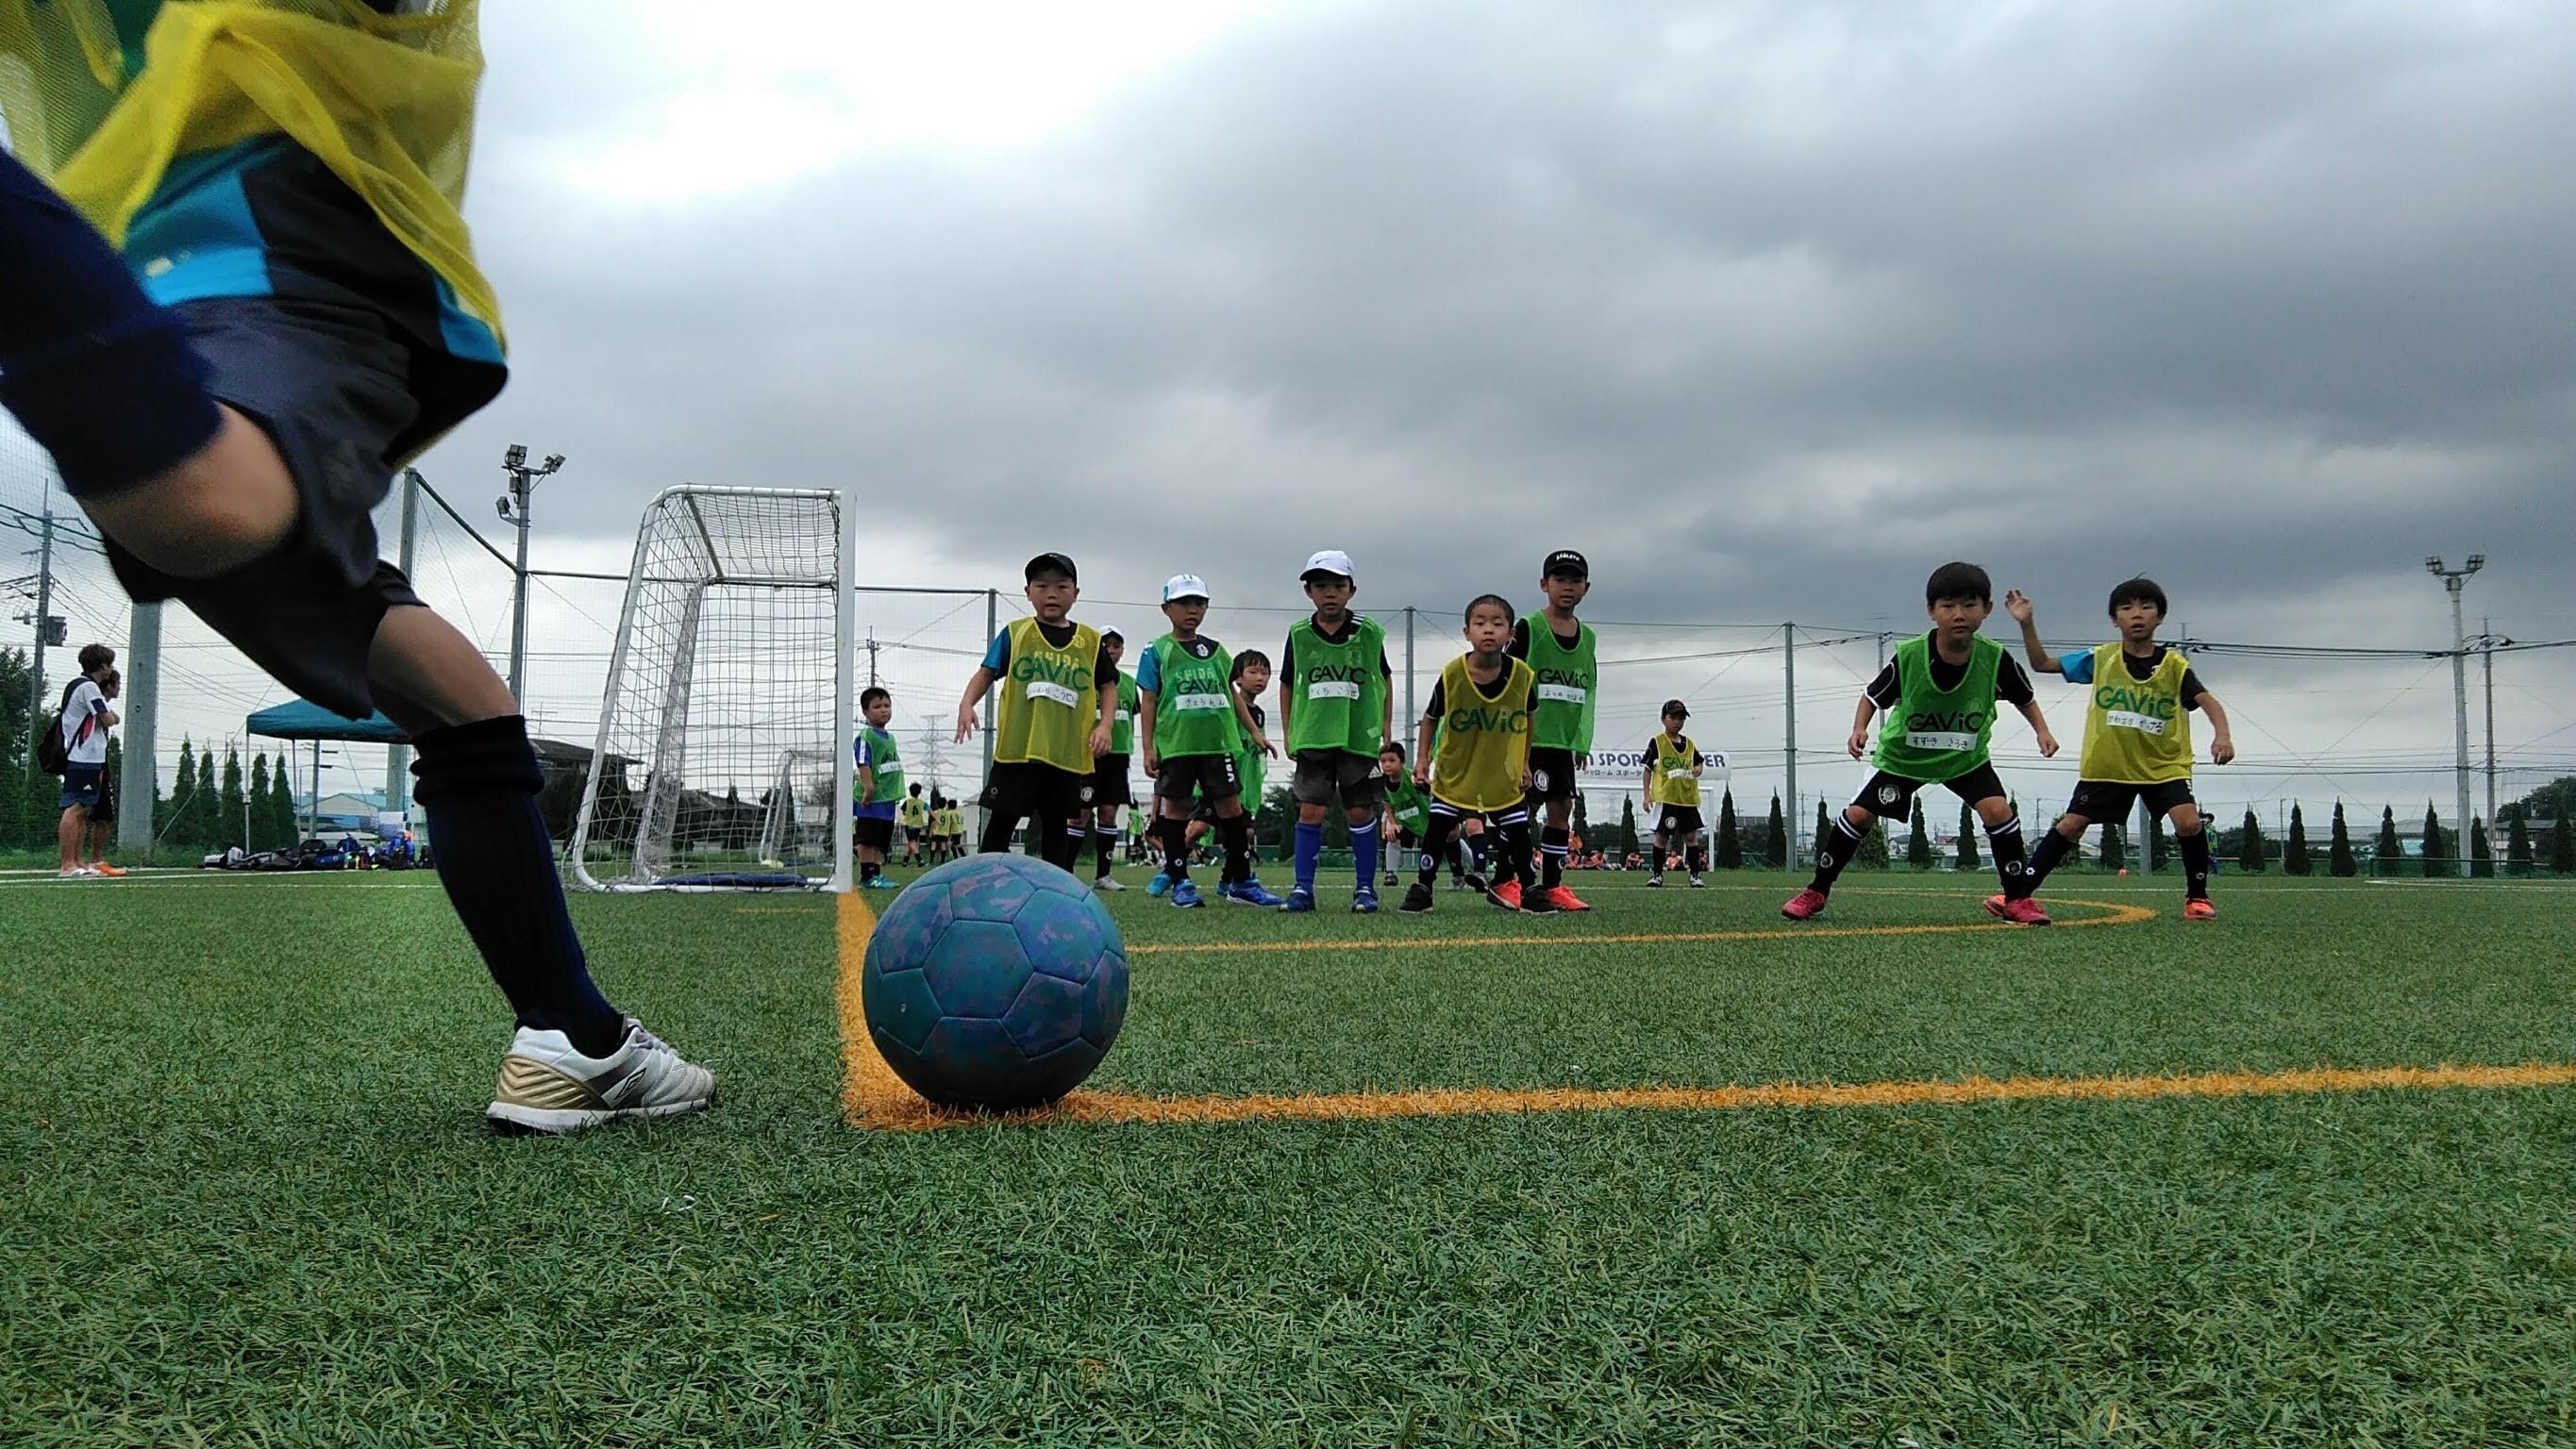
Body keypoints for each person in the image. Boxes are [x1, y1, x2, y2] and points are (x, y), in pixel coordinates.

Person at [0, 3, 713, 1130]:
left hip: (133, 286)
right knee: (212, 498)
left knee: (466, 703)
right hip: (270, 242)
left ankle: (573, 1038)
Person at [1782, 562, 2059, 923]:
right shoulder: (1911, 656)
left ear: (1987, 610)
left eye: (1969, 605)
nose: (1959, 614)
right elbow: (1871, 696)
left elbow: (2024, 697)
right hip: (1905, 758)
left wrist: (2042, 730)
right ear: (1931, 611)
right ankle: (1816, 891)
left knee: (1997, 810)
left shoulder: (1995, 658)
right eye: (1948, 606)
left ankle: (2017, 899)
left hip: (1964, 758)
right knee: (1859, 814)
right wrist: (1858, 729)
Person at [2005, 580, 2237, 921]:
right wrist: (2026, 623)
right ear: (2115, 620)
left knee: (2187, 822)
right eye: (2127, 608)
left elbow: (2208, 702)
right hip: (2109, 765)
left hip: (2163, 765)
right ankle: (2017, 894)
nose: (2137, 614)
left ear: (2160, 617)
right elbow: (2042, 664)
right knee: (2071, 825)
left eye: (2145, 607)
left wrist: (2223, 736)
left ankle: (2198, 898)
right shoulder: (2101, 658)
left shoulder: (2174, 667)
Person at [954, 553, 1117, 870]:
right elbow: (986, 672)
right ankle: (982, 881)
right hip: (1019, 749)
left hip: (1066, 752)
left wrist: (1105, 725)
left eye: (1061, 586)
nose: (1051, 593)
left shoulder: (1090, 641)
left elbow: (1108, 686)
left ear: (1076, 593)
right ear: (1028, 592)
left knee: (1056, 823)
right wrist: (966, 703)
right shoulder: (1016, 634)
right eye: (1041, 586)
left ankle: (1058, 890)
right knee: (1003, 817)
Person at [1402, 595, 1552, 913]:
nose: (1489, 630)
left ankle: (1529, 888)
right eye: (1480, 623)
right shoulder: (1452, 674)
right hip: (1457, 770)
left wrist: (1525, 762)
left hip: (1501, 773)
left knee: (1518, 832)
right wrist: (1422, 760)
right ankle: (1422, 887)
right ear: (1466, 631)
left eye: (1498, 624)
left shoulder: (1523, 676)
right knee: (1438, 828)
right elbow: (1430, 718)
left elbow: (1529, 719)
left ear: (1510, 634)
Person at [1137, 575, 1280, 908]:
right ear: (1166, 608)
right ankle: (1180, 881)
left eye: (1199, 604)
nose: (1193, 610)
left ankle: (1242, 881)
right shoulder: (1157, 650)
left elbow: (1232, 697)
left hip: (1218, 744)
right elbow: (1149, 700)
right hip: (1177, 745)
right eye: (1185, 603)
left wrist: (1255, 733)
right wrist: (1148, 747)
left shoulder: (1216, 652)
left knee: (1232, 808)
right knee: (1176, 809)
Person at [1278, 550, 1395, 913]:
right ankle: (1302, 889)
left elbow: (1385, 678)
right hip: (1314, 736)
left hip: (1358, 737)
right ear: (1308, 592)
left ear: (1352, 590)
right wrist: (1289, 732)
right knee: (1310, 810)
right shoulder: (1298, 635)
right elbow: (1286, 684)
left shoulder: (1369, 632)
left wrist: (1386, 727)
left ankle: (1364, 890)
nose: (1330, 592)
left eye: (1338, 585)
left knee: (1359, 812)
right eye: (1321, 585)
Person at [1513, 550, 1598, 911]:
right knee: (1521, 810)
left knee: (1561, 808)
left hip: (1563, 741)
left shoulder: (1589, 637)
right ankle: (1512, 880)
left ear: (1586, 588)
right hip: (1529, 738)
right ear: (1544, 584)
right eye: (1560, 579)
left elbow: (1588, 689)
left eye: (1575, 580)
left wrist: (1581, 740)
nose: (1568, 587)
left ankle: (1553, 886)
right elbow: (1510, 680)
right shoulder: (1528, 627)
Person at [1064, 629, 1141, 890]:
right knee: (1079, 815)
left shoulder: (1130, 683)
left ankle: (1103, 876)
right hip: (1087, 755)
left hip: (1118, 757)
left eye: (1116, 646)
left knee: (1109, 813)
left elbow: (1132, 716)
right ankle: (1066, 874)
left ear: (1122, 651)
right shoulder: (1083, 678)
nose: (1111, 650)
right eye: (1105, 645)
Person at [55, 645, 118, 878]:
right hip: (84, 756)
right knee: (76, 808)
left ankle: (78, 861)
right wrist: (112, 717)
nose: (111, 669)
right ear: (102, 666)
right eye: (109, 664)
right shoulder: (89, 687)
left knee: (84, 809)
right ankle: (67, 864)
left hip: (88, 757)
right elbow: (107, 718)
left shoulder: (77, 686)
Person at [1640, 700, 1707, 889]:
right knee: (1662, 837)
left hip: (1687, 798)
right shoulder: (1657, 742)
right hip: (1666, 798)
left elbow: (1699, 763)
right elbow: (1647, 770)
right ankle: (1657, 874)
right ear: (1663, 719)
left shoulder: (1689, 743)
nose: (1677, 722)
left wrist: (1698, 769)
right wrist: (1646, 796)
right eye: (1673, 718)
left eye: (1681, 718)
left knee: (1691, 838)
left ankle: (1695, 875)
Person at [853, 686, 904, 889]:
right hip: (871, 799)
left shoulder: (891, 738)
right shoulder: (866, 736)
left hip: (887, 799)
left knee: (881, 841)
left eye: (887, 705)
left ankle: (877, 875)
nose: (884, 710)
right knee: (867, 839)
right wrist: (869, 787)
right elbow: (863, 762)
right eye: (877, 706)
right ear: (866, 712)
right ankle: (867, 876)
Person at [1379, 741, 1430, 887]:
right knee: (1393, 837)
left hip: (1426, 819)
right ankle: (1391, 873)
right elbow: (1387, 803)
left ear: (1402, 762)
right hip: (1406, 823)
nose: (1387, 765)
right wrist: (1393, 822)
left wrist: (1423, 785)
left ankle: (1474, 867)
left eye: (1391, 760)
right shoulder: (1382, 783)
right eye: (1383, 761)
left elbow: (1427, 791)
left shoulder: (1411, 777)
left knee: (1450, 841)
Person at [897, 782, 929, 865]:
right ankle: (905, 861)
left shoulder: (907, 802)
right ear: (919, 792)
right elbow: (928, 810)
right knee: (912, 843)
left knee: (912, 843)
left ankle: (919, 859)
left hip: (909, 824)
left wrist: (906, 813)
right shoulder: (921, 802)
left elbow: (904, 811)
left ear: (910, 791)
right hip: (918, 825)